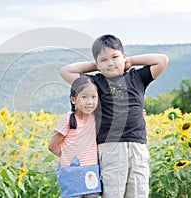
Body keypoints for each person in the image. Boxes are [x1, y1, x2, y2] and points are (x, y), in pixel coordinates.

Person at [59, 34, 169, 198]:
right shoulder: (95, 83)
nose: (110, 63)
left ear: (123, 57)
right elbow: (66, 71)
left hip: (138, 145)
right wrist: (96, 66)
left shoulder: (137, 77)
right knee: (113, 193)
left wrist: (130, 62)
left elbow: (162, 60)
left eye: (115, 57)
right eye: (103, 60)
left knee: (139, 191)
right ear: (97, 64)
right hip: (111, 146)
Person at [48, 76, 102, 198]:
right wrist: (70, 158)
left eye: (94, 97)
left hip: (91, 170)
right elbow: (52, 146)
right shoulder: (67, 119)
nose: (90, 102)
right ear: (73, 100)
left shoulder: (96, 117)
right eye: (84, 97)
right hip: (71, 171)